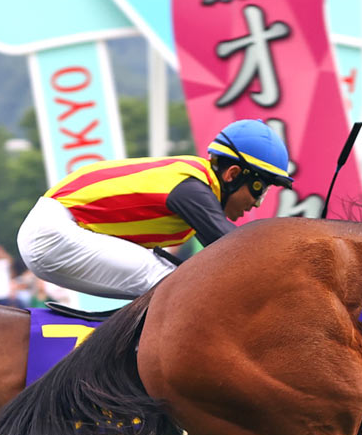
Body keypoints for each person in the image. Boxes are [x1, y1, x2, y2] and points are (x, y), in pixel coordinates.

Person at [17, 119, 293, 300]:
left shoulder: (197, 184)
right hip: (54, 233)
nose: (258, 202)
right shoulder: (193, 189)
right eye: (260, 187)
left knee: (176, 279)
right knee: (178, 287)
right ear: (233, 174)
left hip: (55, 228)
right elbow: (233, 248)